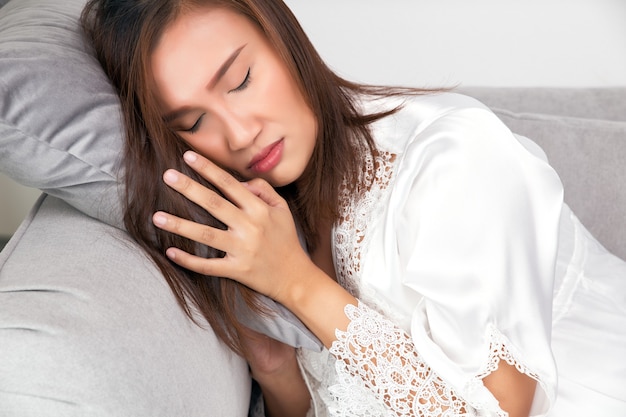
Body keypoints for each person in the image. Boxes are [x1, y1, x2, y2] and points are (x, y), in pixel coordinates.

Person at [80, 1, 626, 416]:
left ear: (285, 42)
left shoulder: (451, 155)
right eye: (194, 123)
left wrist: (298, 284)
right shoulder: (265, 222)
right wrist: (276, 369)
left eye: (241, 80)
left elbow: (505, 406)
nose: (240, 134)